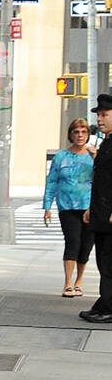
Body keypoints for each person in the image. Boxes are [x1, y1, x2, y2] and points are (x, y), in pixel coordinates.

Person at [43, 117, 95, 298]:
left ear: (88, 135)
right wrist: (47, 206)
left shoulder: (93, 155)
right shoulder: (61, 156)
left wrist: (96, 157)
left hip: (89, 206)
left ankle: (79, 281)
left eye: (84, 132)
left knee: (86, 245)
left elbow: (103, 180)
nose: (80, 135)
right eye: (76, 132)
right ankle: (67, 283)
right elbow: (52, 181)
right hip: (67, 206)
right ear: (70, 135)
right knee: (73, 241)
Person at [79, 93, 112, 323]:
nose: (99, 119)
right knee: (103, 260)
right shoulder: (107, 141)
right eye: (99, 115)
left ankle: (108, 307)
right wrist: (92, 208)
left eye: (104, 115)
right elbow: (101, 181)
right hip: (101, 213)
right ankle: (103, 303)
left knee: (109, 262)